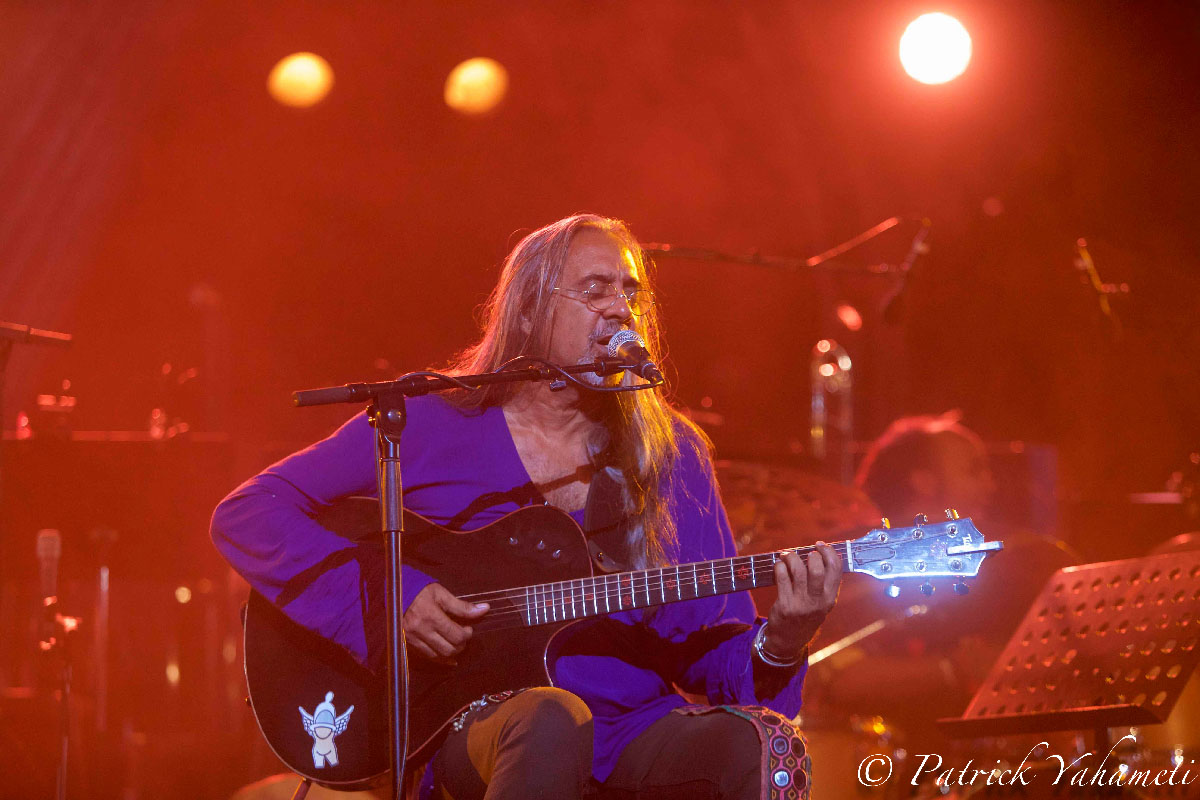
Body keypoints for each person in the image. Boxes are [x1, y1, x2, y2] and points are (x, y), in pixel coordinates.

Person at [211, 213, 842, 800]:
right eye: (596, 290)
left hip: (626, 731)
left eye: (631, 292)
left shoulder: (668, 455)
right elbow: (249, 512)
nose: (620, 309)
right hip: (467, 724)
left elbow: (709, 648)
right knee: (548, 716)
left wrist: (784, 638)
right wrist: (398, 595)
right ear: (533, 308)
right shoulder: (428, 424)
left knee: (760, 742)